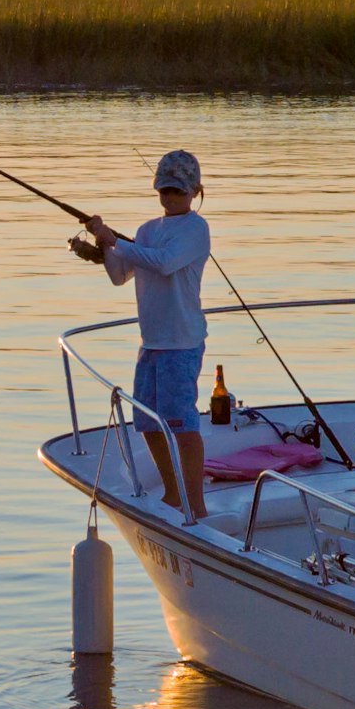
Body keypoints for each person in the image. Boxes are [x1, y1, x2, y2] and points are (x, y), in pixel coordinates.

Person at [79, 151, 216, 515]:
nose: (170, 198)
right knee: (149, 423)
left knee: (181, 424)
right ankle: (173, 493)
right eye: (164, 191)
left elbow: (165, 263)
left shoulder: (195, 229)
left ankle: (196, 504)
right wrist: (103, 244)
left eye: (177, 191)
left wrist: (116, 241)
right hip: (151, 342)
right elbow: (119, 275)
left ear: (194, 191)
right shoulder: (147, 229)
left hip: (181, 342)